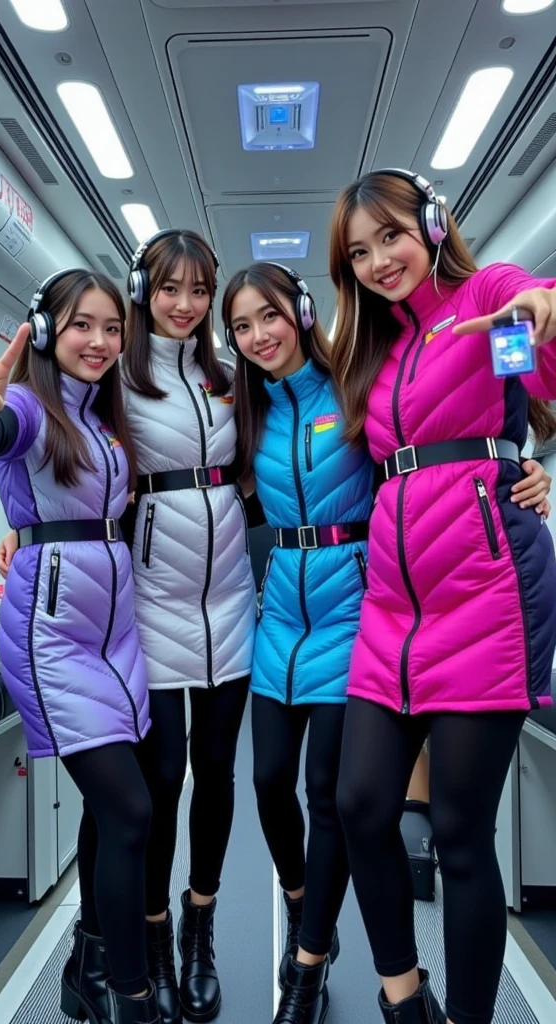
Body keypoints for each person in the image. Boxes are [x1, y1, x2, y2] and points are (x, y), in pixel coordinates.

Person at [0, 231, 257, 1024]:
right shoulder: (113, 385)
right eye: (169, 288)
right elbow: (14, 438)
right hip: (140, 611)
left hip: (220, 604)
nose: (185, 304)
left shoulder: (229, 380)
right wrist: (23, 525)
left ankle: (184, 937)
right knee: (149, 791)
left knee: (215, 775)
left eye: (201, 290)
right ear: (146, 291)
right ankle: (142, 949)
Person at [329, 168, 556, 1024]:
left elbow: (534, 321)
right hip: (393, 609)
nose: (379, 260)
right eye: (359, 252)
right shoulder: (374, 352)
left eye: (391, 235)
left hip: (489, 596)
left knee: (460, 836)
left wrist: (541, 306)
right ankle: (403, 997)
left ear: (431, 224)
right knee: (359, 805)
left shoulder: (484, 296)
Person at [0, 271, 159, 1024]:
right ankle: (129, 998)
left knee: (110, 814)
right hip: (52, 639)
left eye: (112, 328)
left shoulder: (103, 419)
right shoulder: (27, 405)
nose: (100, 342)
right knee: (131, 813)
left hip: (115, 638)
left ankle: (87, 967)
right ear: (46, 332)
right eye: (83, 325)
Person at [222, 261, 373, 1024]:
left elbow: (426, 457)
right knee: (269, 781)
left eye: (269, 316)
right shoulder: (245, 415)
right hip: (280, 613)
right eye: (241, 326)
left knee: (327, 795)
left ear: (303, 312)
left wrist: (520, 470)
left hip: (353, 610)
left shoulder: (354, 389)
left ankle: (309, 961)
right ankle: (299, 896)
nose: (259, 336)